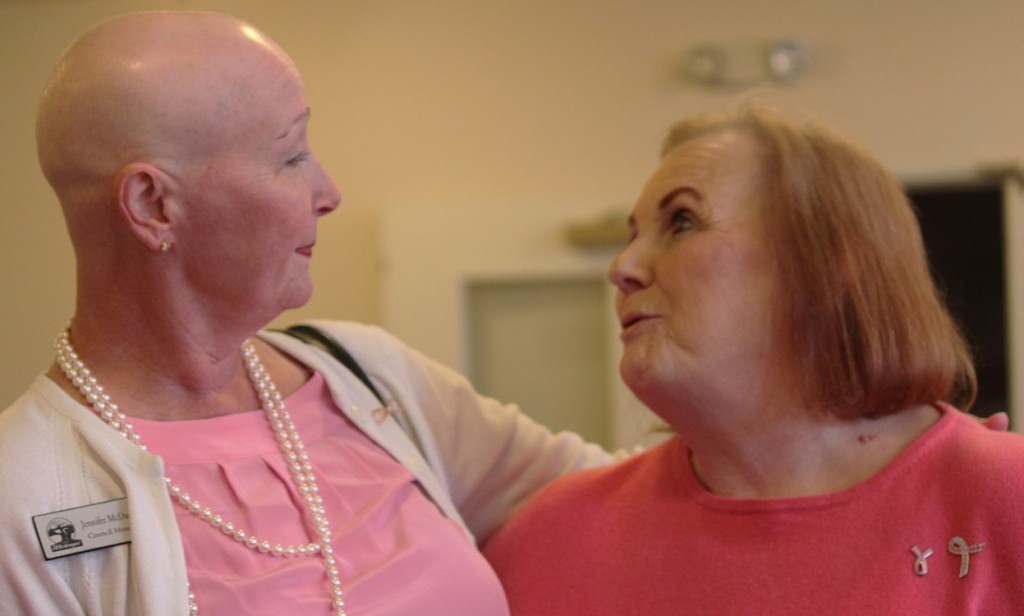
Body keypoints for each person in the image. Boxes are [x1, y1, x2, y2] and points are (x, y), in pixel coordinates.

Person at [0, 11, 615, 615]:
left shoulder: (371, 376)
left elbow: (623, 499)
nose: (329, 193)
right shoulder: (21, 499)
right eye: (291, 157)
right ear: (153, 203)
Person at [483, 105, 1024, 613]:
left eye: (682, 222)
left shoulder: (1003, 498)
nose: (622, 266)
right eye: (632, 236)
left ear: (828, 266)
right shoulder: (552, 535)